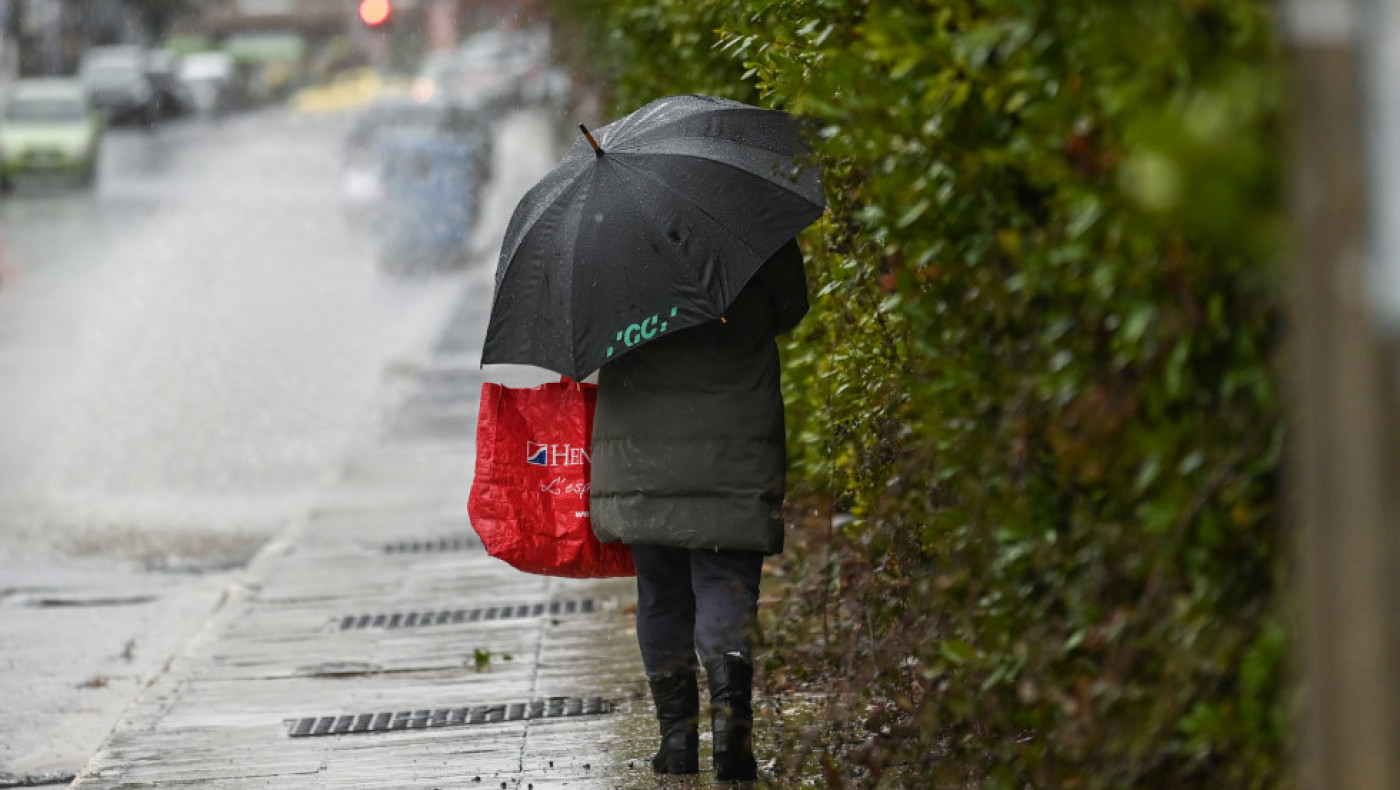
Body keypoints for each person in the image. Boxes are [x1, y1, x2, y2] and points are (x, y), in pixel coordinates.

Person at [589, 238, 809, 780]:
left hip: (641, 452)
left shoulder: (607, 244)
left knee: (661, 592)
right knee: (726, 583)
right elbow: (791, 308)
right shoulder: (751, 225)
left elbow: (587, 341)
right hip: (734, 442)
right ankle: (732, 737)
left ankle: (678, 744)